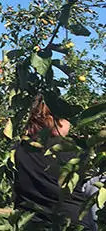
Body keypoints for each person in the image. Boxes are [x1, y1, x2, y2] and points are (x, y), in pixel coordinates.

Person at [13, 94, 96, 230]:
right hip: (71, 222)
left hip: (31, 222)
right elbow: (91, 188)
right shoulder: (75, 150)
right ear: (58, 121)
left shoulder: (18, 149)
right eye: (68, 119)